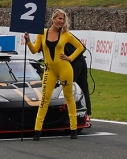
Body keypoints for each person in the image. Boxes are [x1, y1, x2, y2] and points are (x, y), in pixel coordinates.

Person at [24, 9, 84, 140]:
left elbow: (80, 47)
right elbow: (34, 50)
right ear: (53, 19)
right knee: (44, 99)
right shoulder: (42, 33)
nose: (61, 22)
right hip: (49, 70)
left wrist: (70, 58)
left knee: (69, 97)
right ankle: (37, 131)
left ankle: (73, 129)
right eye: (59, 19)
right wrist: (28, 41)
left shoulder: (66, 34)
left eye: (63, 19)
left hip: (64, 68)